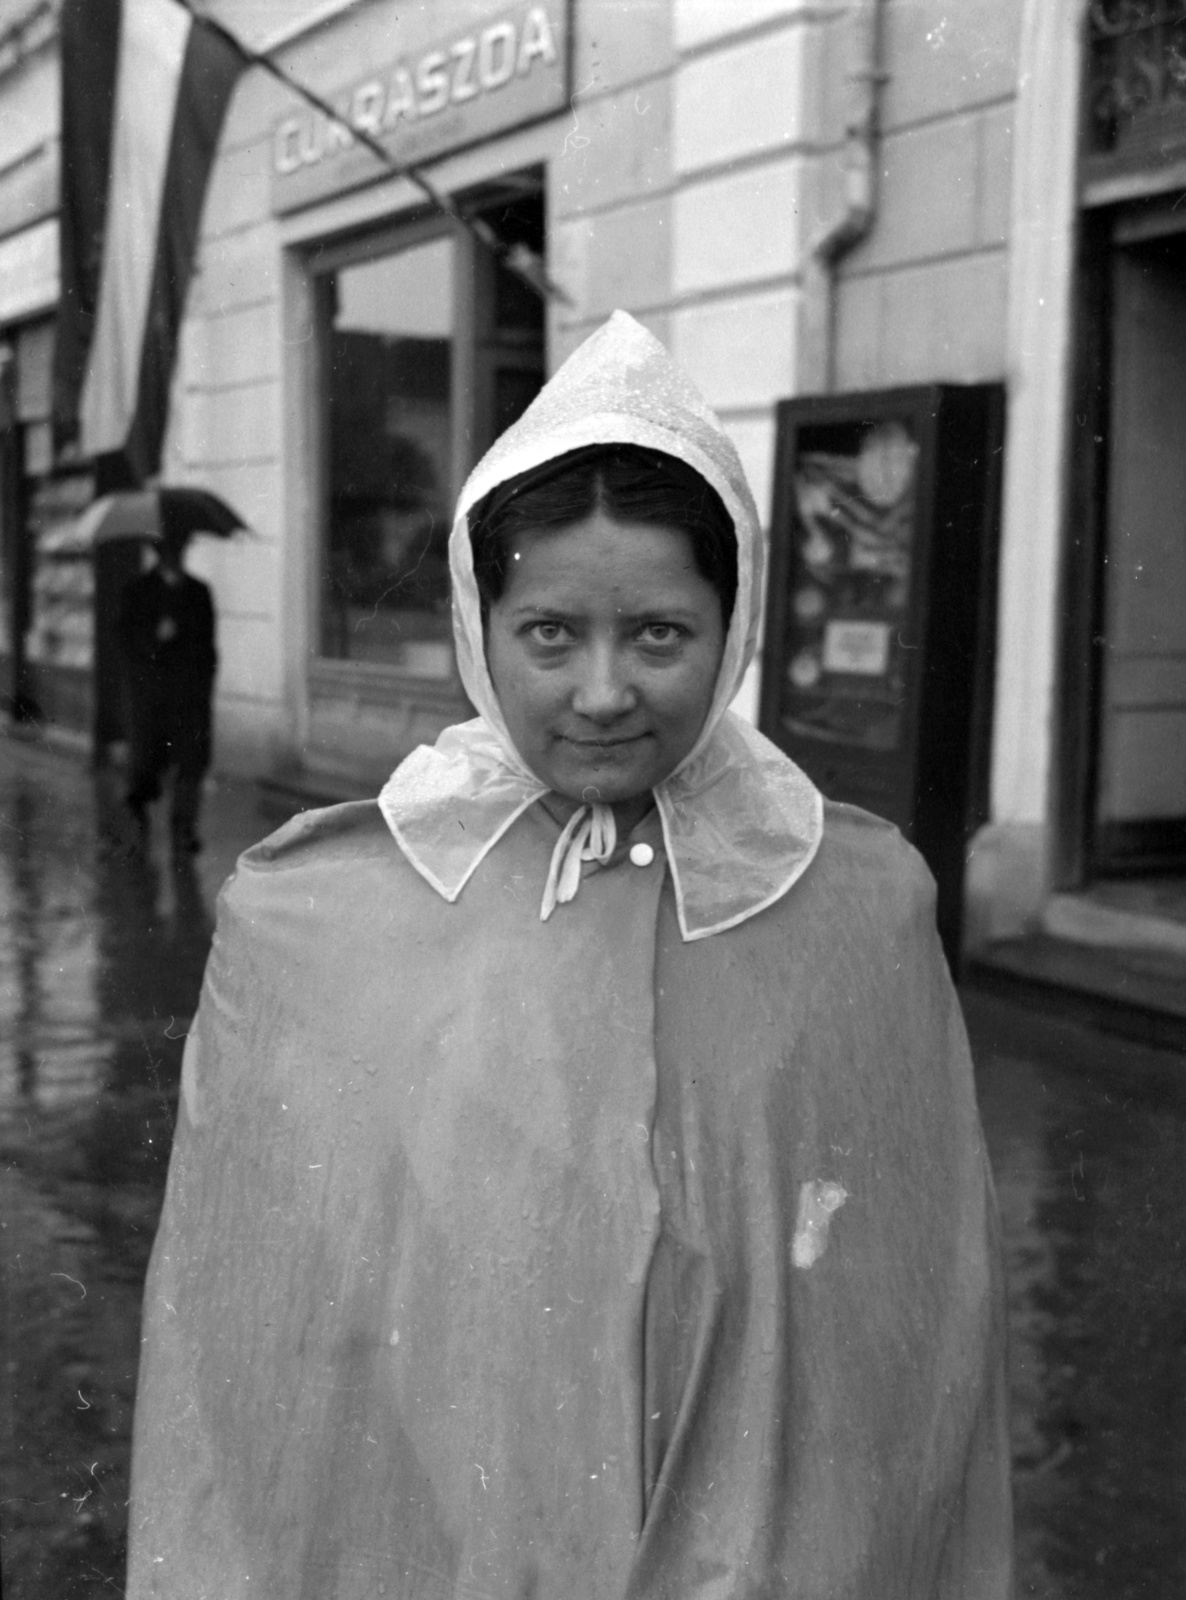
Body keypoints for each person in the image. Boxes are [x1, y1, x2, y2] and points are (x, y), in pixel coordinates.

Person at [126, 312, 1012, 1597]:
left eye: (658, 632)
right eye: (550, 633)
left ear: (735, 621)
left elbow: (913, 1338)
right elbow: (259, 1339)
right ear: (479, 625)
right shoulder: (313, 920)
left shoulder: (859, 906)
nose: (603, 691)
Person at [117, 513, 217, 854]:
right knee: (145, 766)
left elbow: (208, 648)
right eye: (168, 549)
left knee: (191, 764)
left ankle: (184, 828)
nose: (175, 555)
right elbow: (125, 641)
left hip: (188, 697)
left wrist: (203, 686)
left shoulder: (199, 593)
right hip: (152, 696)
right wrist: (154, 639)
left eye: (180, 549)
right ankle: (138, 814)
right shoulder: (137, 592)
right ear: (158, 553)